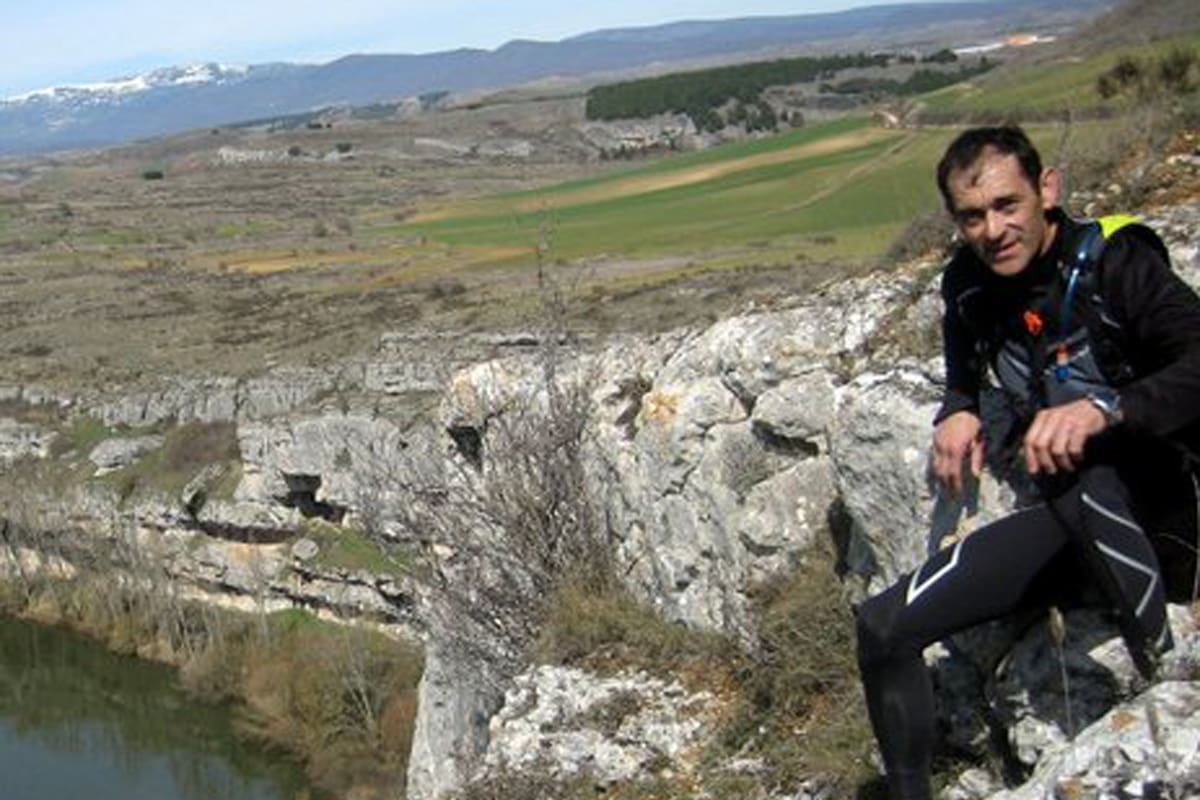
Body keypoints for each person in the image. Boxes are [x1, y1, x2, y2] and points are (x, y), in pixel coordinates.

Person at [854, 125, 1200, 800]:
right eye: (973, 216)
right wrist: (957, 405)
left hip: (1170, 503)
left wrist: (1107, 410)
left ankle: (1172, 677)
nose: (994, 230)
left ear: (1048, 189)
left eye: (1008, 205)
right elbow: (964, 364)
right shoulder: (968, 286)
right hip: (1074, 522)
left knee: (1082, 467)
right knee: (883, 626)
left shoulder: (1114, 263)